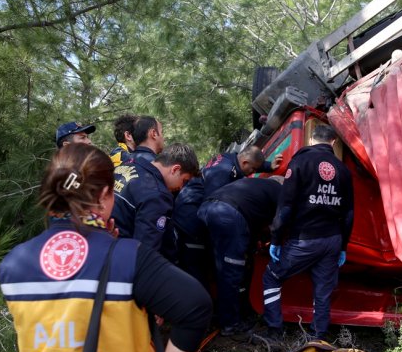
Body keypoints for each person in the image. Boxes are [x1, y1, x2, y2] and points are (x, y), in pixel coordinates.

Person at [0, 143, 212, 352]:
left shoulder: (12, 265)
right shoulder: (126, 256)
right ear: (102, 197)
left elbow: (65, 318)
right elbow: (195, 305)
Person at [261, 125, 354, 341]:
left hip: (304, 240)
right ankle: (318, 336)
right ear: (333, 142)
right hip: (332, 240)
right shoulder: (343, 170)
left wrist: (275, 239)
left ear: (311, 140)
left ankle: (275, 331)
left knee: (271, 277)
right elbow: (349, 213)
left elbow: (286, 206)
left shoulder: (300, 162)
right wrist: (343, 247)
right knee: (322, 290)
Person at [172, 145, 283, 283]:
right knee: (198, 270)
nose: (252, 173)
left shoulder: (229, 158)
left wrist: (268, 166)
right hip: (190, 220)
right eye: (253, 169)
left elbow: (251, 161)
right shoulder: (222, 173)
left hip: (192, 212)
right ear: (244, 163)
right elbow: (215, 204)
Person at [198, 176, 284, 335]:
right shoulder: (280, 191)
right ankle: (230, 324)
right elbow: (279, 224)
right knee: (232, 272)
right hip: (228, 215)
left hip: (206, 208)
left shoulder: (256, 185)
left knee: (220, 268)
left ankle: (218, 314)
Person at [111, 143, 198, 261]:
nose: (182, 187)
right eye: (184, 180)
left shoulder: (127, 165)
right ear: (175, 169)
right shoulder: (157, 195)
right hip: (121, 261)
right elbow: (145, 251)